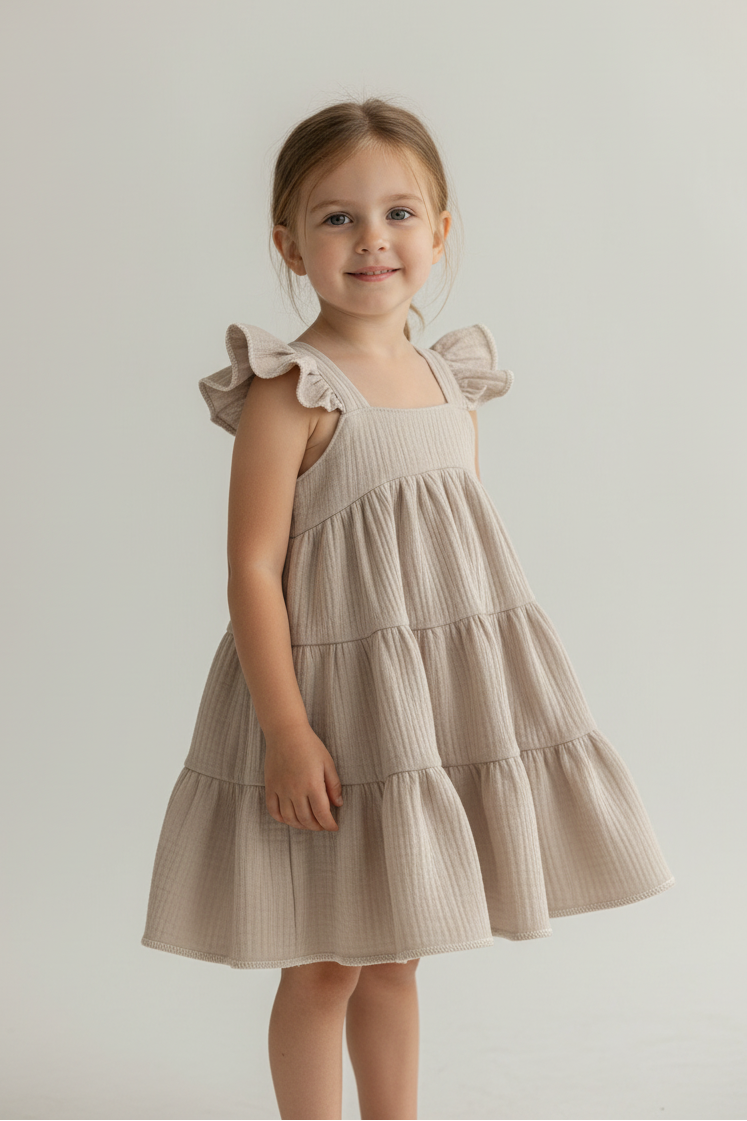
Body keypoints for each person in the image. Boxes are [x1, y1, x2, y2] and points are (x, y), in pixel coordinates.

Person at [141, 96, 674, 1121]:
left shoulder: (450, 377)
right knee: (327, 961)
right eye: (337, 217)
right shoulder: (291, 389)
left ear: (439, 232)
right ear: (288, 242)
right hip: (330, 708)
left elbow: (447, 560)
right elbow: (253, 568)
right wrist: (288, 730)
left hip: (419, 714)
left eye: (397, 213)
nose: (371, 239)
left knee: (397, 956)